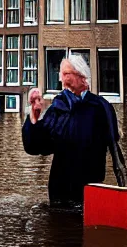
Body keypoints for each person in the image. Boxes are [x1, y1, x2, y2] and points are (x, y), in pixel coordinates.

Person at [21, 55, 120, 207]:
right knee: (61, 227)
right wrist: (34, 117)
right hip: (60, 189)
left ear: (82, 77)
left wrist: (124, 188)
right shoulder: (58, 108)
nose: (62, 80)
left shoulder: (101, 107)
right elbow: (37, 147)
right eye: (61, 75)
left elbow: (114, 147)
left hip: (89, 188)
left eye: (66, 74)